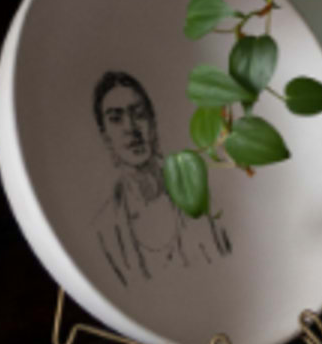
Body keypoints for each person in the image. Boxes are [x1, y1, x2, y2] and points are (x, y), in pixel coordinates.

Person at [91, 69, 232, 283]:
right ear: (105, 137)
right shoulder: (105, 230)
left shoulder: (201, 196)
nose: (131, 128)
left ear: (153, 124)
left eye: (138, 113)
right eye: (116, 119)